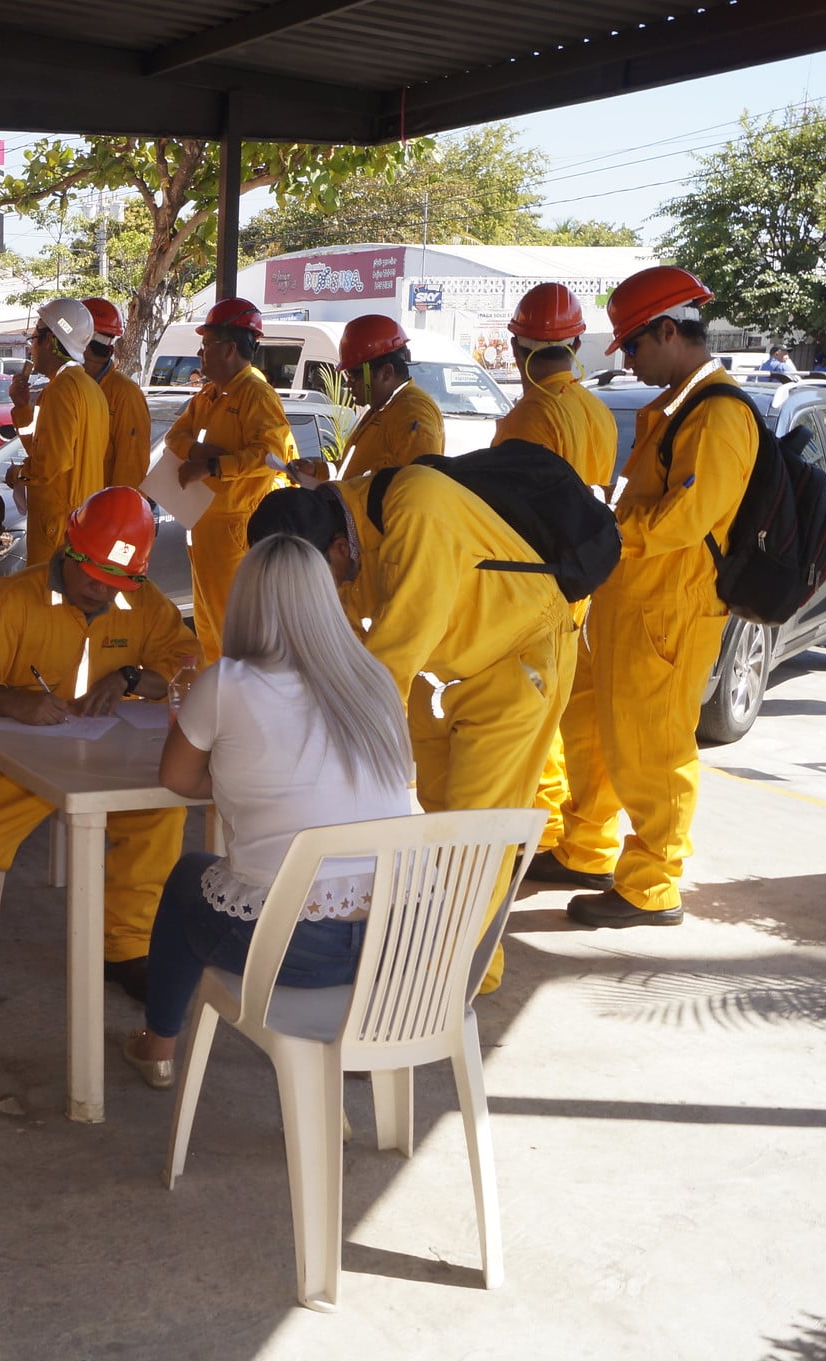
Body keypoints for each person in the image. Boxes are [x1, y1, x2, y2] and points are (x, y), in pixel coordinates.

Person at [246, 454, 577, 993]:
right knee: (441, 816)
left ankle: (427, 994)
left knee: (475, 835)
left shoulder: (416, 511)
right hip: (450, 665)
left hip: (518, 658)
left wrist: (312, 748)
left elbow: (391, 657)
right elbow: (342, 642)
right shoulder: (342, 529)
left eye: (310, 584)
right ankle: (472, 965)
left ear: (335, 549)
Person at [119, 535, 414, 1087]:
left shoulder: (226, 684)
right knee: (228, 876)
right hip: (405, 946)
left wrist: (239, 778)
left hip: (302, 949)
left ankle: (158, 1044)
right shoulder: (373, 680)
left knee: (189, 875)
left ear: (246, 602)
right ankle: (354, 1034)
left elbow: (177, 778)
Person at [534, 267, 757, 927]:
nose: (627, 360)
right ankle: (588, 848)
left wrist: (602, 531)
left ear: (669, 331)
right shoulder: (679, 407)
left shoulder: (718, 413)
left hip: (671, 614)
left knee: (654, 750)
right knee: (598, 730)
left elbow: (683, 520)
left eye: (632, 346)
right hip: (631, 603)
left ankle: (652, 884)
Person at [0, 489, 196, 1001]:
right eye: (90, 574)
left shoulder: (142, 603)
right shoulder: (14, 598)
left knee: (161, 813)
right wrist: (13, 702)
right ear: (69, 549)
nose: (98, 590)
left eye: (113, 582)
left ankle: (128, 947)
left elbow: (186, 661)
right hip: (23, 754)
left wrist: (132, 675)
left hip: (106, 753)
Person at [492, 282, 618, 858]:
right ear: (575, 344)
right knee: (572, 712)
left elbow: (510, 515)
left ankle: (540, 838)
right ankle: (582, 838)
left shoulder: (527, 416)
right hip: (584, 582)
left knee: (535, 708)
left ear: (517, 349)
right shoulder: (598, 411)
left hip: (538, 583)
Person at [162, 297, 296, 663]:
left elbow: (273, 456)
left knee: (233, 636)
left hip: (236, 531)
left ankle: (239, 712)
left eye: (206, 345)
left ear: (231, 348)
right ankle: (217, 710)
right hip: (205, 528)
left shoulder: (256, 393)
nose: (200, 354)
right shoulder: (209, 394)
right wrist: (198, 453)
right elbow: (175, 437)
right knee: (208, 632)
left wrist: (215, 466)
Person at [7, 298, 109, 565]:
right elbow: (46, 449)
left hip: (59, 528)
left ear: (51, 340)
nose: (31, 346)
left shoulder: (62, 390)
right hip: (79, 522)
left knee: (51, 602)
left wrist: (18, 474)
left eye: (34, 337)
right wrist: (22, 409)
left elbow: (52, 462)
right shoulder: (89, 388)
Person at [336, 314, 443, 480]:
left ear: (386, 373)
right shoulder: (384, 407)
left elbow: (414, 486)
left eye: (355, 375)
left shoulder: (411, 413)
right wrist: (316, 470)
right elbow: (353, 470)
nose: (349, 384)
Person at [82, 297, 152, 492]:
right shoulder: (67, 387)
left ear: (84, 339)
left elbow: (131, 472)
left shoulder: (125, 395)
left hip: (98, 515)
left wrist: (114, 518)